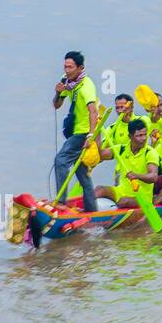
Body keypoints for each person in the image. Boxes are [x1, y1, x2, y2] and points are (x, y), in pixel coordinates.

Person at [52, 50, 99, 210]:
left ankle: (61, 202)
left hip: (83, 132)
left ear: (80, 68)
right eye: (65, 67)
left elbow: (94, 111)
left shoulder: (86, 86)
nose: (66, 70)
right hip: (75, 131)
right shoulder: (68, 83)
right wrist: (58, 92)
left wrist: (91, 135)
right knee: (82, 173)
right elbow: (56, 105)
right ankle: (93, 212)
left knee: (61, 160)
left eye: (70, 67)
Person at [93, 119, 158, 211]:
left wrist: (136, 175)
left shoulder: (150, 152)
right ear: (130, 136)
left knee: (124, 202)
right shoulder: (121, 149)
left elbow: (153, 177)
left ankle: (109, 213)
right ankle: (85, 212)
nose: (143, 138)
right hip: (121, 191)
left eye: (144, 135)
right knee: (99, 189)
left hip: (142, 197)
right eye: (139, 135)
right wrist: (98, 130)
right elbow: (100, 155)